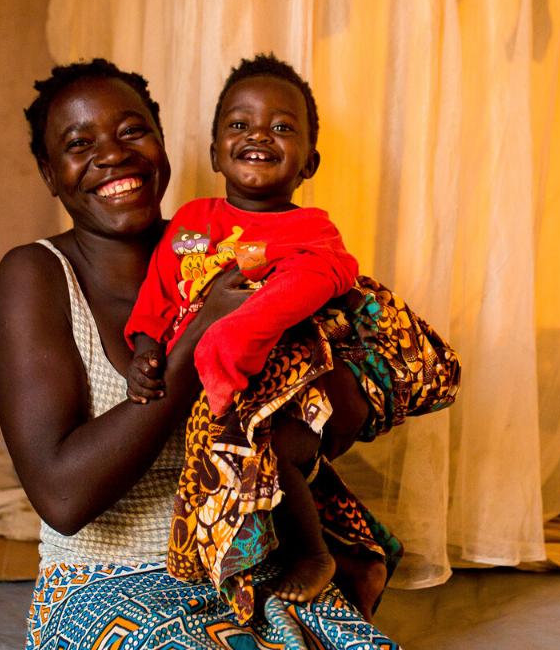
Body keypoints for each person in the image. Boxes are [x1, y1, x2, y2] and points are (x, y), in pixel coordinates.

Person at [0, 59, 398, 648]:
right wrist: (201, 334)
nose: (112, 155)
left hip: (252, 562)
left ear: (161, 143)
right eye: (80, 144)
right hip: (113, 580)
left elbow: (328, 414)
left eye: (132, 131)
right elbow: (63, 497)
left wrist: (320, 386)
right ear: (50, 173)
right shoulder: (35, 276)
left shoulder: (224, 244)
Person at [122, 55, 459, 620]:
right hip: (210, 388)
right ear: (213, 154)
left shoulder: (311, 230)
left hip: (289, 385)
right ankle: (329, 560)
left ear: (309, 163)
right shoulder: (189, 221)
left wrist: (232, 340)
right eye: (239, 124)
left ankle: (316, 556)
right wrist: (145, 349)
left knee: (278, 450)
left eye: (282, 128)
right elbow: (157, 297)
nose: (258, 135)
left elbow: (319, 281)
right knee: (240, 477)